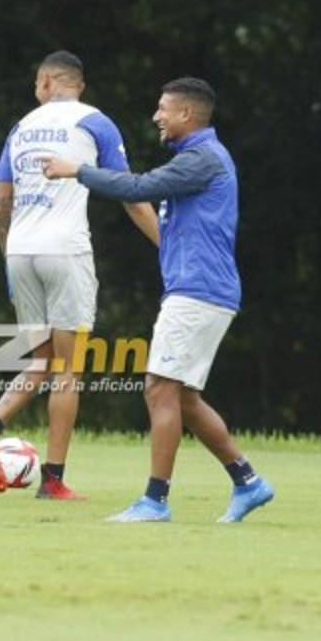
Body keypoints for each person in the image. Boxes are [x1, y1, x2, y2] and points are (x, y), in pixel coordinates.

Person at [42, 77, 274, 523]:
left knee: (158, 386)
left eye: (163, 109)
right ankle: (248, 482)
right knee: (183, 396)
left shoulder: (201, 159)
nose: (156, 117)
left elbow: (137, 188)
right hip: (201, 290)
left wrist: (78, 170)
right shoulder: (199, 158)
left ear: (187, 114)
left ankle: (155, 500)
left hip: (198, 291)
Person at [0, 50, 160, 499]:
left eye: (37, 84)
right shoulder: (96, 122)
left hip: (21, 250)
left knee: (41, 360)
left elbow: (1, 204)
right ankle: (52, 480)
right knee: (68, 371)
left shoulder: (20, 128)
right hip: (64, 250)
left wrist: (9, 255)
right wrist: (166, 248)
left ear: (49, 81)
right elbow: (130, 193)